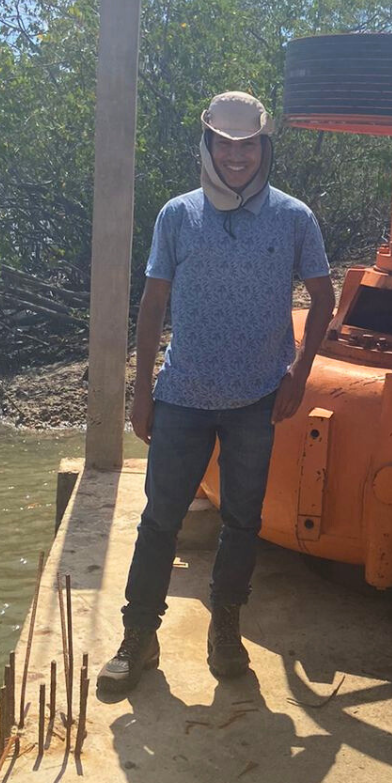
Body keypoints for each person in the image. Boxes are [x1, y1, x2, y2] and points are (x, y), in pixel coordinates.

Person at [97, 91, 335, 695]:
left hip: (258, 398)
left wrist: (299, 374)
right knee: (159, 519)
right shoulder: (177, 216)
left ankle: (225, 627)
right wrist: (142, 390)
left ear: (263, 147)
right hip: (182, 394)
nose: (236, 156)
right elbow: (153, 303)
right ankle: (138, 637)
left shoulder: (294, 217)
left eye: (247, 144)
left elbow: (324, 296)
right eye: (224, 144)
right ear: (207, 145)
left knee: (242, 520)